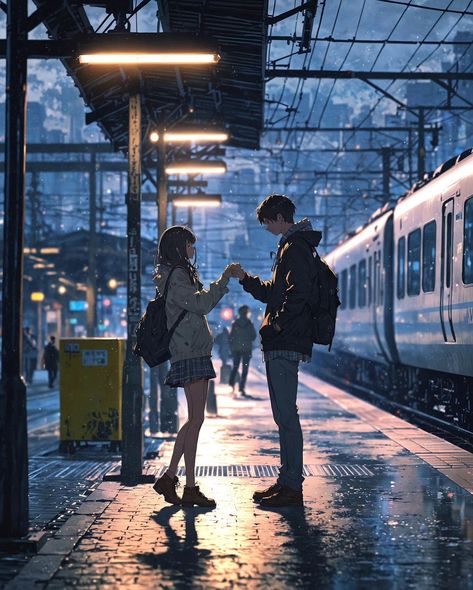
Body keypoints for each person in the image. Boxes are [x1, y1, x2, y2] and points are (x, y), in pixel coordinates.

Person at [232, 194, 321, 507]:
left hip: (285, 342)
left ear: (280, 217)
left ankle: (292, 486)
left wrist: (279, 325)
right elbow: (277, 292)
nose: (266, 228)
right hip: (282, 341)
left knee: (286, 416)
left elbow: (299, 294)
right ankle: (286, 481)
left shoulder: (295, 248)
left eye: (267, 222)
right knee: (284, 416)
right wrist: (246, 280)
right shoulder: (291, 246)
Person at [152, 225, 240, 508]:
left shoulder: (175, 274)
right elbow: (201, 304)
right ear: (180, 247)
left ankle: (176, 480)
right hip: (189, 352)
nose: (193, 249)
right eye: (190, 245)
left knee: (194, 420)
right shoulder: (177, 275)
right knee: (195, 420)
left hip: (191, 350)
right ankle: (182, 483)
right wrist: (223, 280)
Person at [228, 305, 257, 397]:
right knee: (245, 369)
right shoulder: (249, 324)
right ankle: (241, 387)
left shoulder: (235, 323)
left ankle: (232, 384)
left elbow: (231, 337)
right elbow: (253, 336)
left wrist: (232, 346)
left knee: (235, 367)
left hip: (236, 349)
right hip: (246, 350)